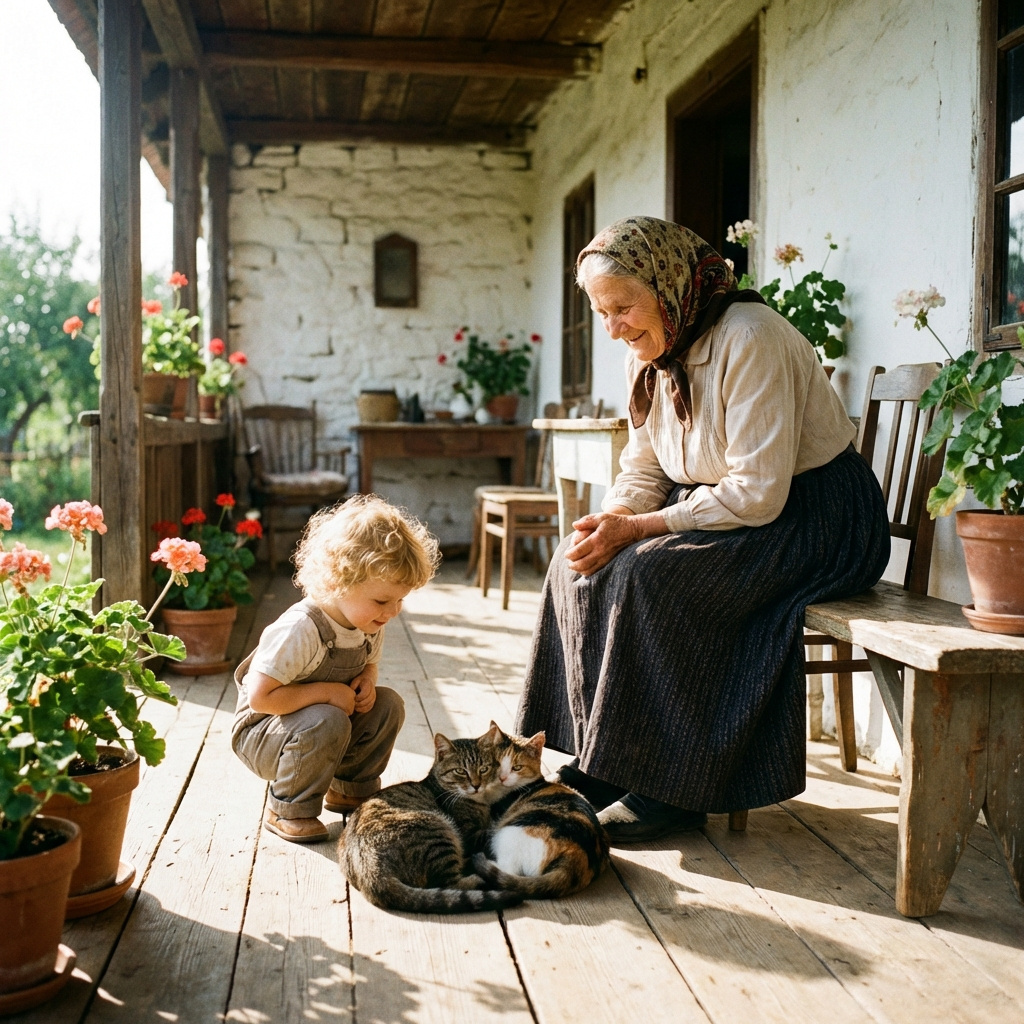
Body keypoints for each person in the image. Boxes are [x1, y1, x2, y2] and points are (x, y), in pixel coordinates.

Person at [516, 216, 890, 843]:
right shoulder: (653, 352)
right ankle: (608, 757)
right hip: (735, 511)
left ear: (667, 286)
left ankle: (676, 788)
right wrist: (611, 520)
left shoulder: (752, 337)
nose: (614, 328)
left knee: (650, 571)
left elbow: (757, 493)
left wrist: (637, 531)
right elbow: (644, 466)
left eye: (624, 308)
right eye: (602, 312)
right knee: (576, 562)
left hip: (815, 518)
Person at [231, 495, 440, 843]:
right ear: (340, 580)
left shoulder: (369, 622)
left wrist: (367, 683)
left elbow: (369, 665)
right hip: (264, 734)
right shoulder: (301, 629)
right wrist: (328, 693)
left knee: (387, 705)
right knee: (326, 718)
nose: (393, 611)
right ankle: (287, 807)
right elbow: (260, 699)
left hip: (322, 727)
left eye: (400, 600)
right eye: (382, 600)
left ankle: (349, 789)